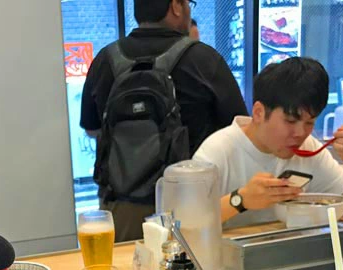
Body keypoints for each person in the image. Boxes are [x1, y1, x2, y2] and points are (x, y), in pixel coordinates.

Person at [81, 0, 248, 241]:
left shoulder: (105, 60)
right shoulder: (204, 59)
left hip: (123, 207)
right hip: (191, 204)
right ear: (176, 6)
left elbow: (92, 128)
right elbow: (237, 130)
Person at [192, 57, 343, 224]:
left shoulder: (309, 149)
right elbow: (183, 224)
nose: (301, 133)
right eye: (290, 121)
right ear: (259, 112)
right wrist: (241, 200)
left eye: (310, 122)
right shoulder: (217, 151)